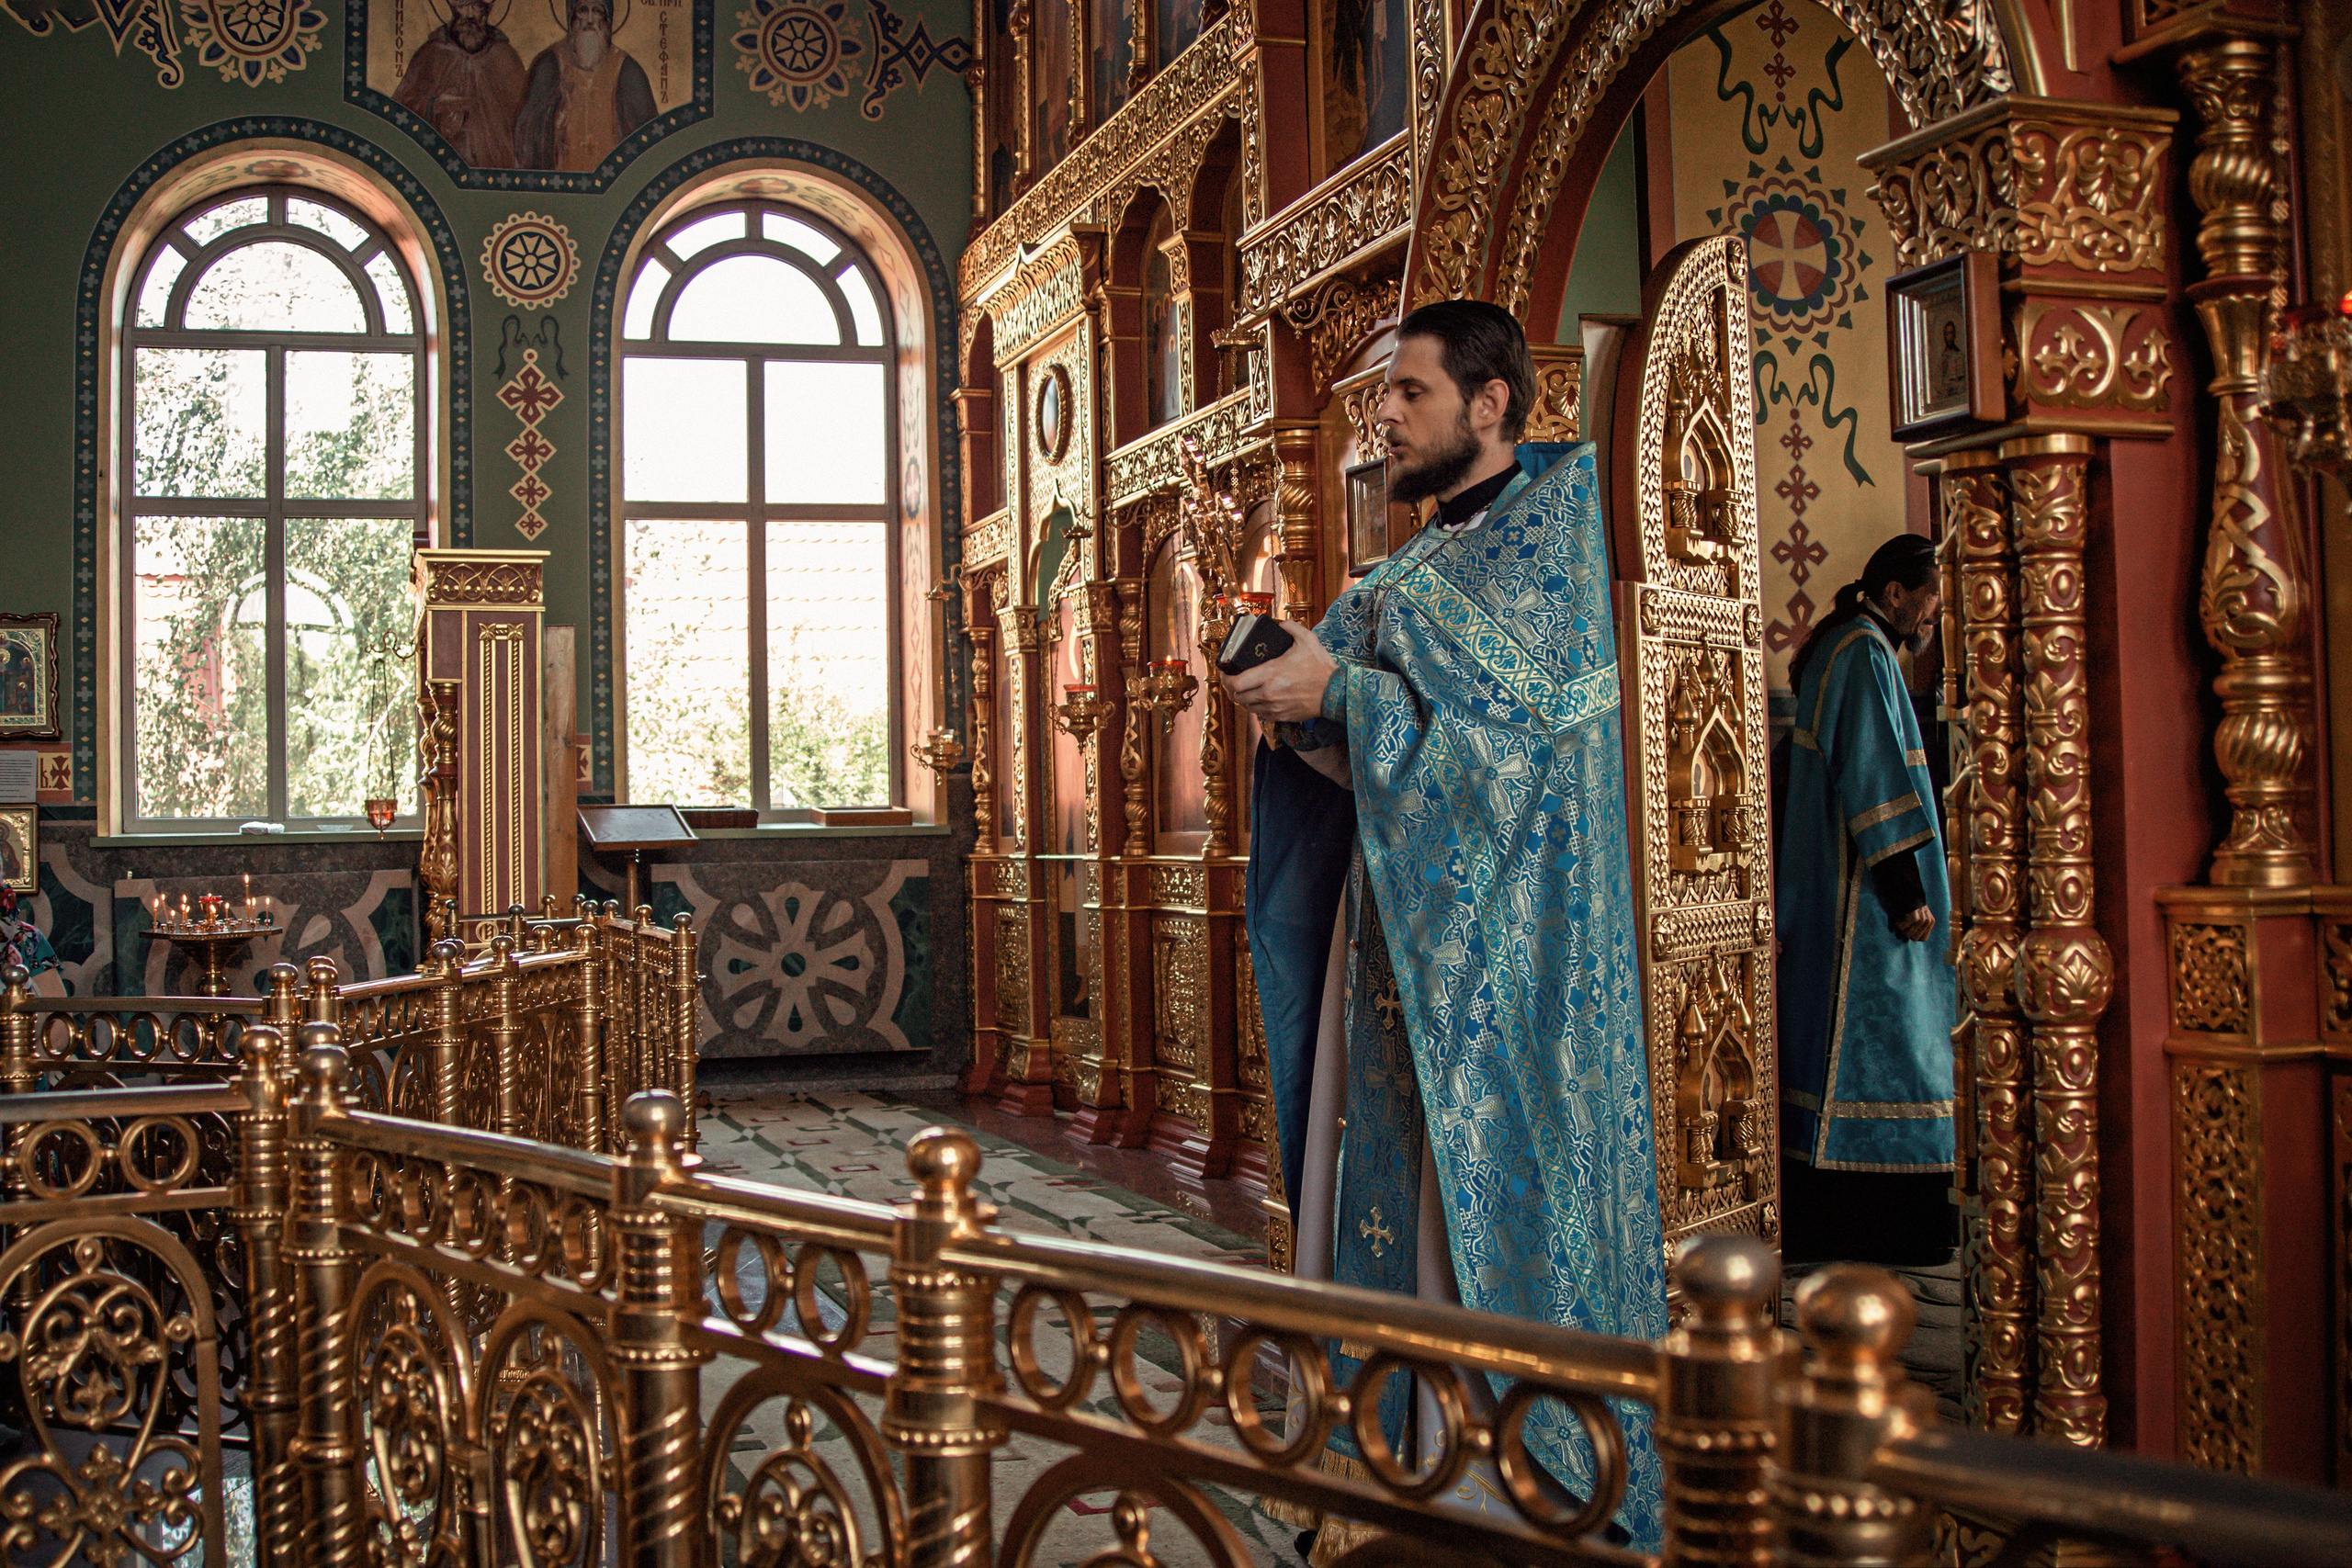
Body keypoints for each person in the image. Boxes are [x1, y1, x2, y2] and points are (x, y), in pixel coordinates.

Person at [1227, 300, 1668, 1551]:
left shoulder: (1561, 543)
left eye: (1407, 393)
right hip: (1395, 943)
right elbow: (1364, 749)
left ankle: (1518, 1486)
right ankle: (1397, 1468)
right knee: (1394, 1203)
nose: (1384, 416)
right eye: (1383, 396)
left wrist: (1345, 695)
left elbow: (1517, 766)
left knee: (1484, 1216)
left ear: (1489, 403)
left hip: (1521, 965)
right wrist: (1294, 702)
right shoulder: (1405, 571)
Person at [1774, 532, 1958, 1268]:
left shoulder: (1847, 648)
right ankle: (1887, 1224)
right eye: (1931, 603)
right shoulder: (1864, 653)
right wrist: (1905, 891)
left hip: (1833, 884)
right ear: (1895, 596)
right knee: (1892, 1042)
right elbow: (1876, 777)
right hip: (1862, 901)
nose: (1932, 619)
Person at [514, 0, 656, 173]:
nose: (589, 20)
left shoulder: (628, 70)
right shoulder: (549, 64)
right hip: (561, 184)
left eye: (597, 11)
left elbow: (647, 139)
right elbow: (528, 132)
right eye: (582, 11)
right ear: (571, 18)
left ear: (608, 21)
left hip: (614, 184)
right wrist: (557, 118)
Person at [394, 0, 530, 169]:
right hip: (442, 169)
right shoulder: (431, 54)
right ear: (452, 8)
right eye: (463, 6)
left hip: (497, 170)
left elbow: (526, 119)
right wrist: (434, 105)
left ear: (487, 11)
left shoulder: (505, 57)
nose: (471, 15)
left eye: (477, 7)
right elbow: (400, 111)